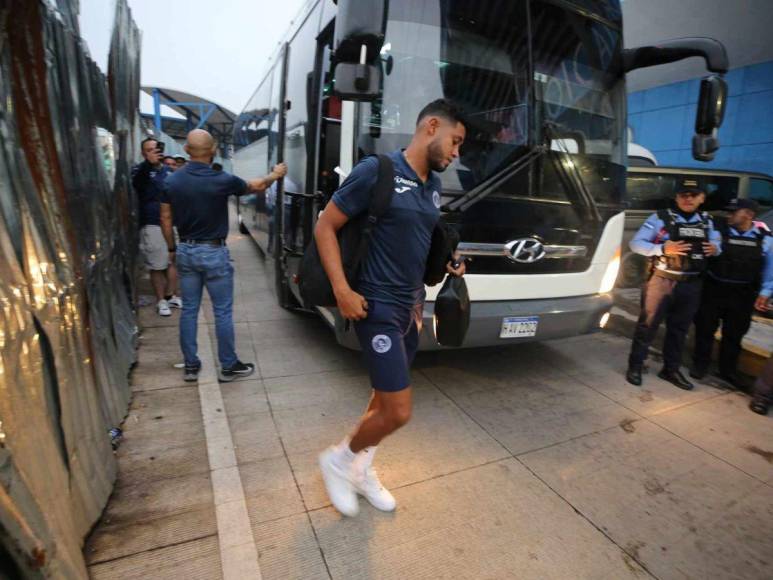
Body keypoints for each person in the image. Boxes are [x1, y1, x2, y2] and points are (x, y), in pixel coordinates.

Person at [315, 99, 467, 517]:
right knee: (399, 411)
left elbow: (418, 240)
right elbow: (325, 226)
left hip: (412, 309)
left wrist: (448, 262)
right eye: (455, 141)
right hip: (376, 305)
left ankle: (361, 468)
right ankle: (340, 459)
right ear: (431, 126)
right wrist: (342, 289)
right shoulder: (377, 171)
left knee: (382, 401)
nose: (456, 153)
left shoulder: (431, 186)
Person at [159, 129, 287, 382]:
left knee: (189, 311)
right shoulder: (222, 180)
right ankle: (228, 366)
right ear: (214, 150)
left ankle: (191, 366)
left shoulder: (172, 181)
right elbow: (258, 185)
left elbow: (165, 217)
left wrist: (172, 248)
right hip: (214, 251)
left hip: (185, 249)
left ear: (186, 151)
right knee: (222, 311)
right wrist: (276, 174)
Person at [625, 179, 721, 390]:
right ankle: (635, 365)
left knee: (679, 330)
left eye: (693, 195)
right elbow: (636, 244)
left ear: (702, 198)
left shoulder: (707, 221)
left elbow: (717, 242)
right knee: (647, 326)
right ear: (676, 197)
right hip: (662, 282)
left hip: (691, 284)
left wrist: (716, 249)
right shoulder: (659, 218)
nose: (688, 199)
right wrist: (661, 249)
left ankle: (670, 370)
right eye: (683, 194)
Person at [692, 198, 772, 387]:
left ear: (748, 215)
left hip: (743, 293)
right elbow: (715, 246)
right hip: (714, 289)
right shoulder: (717, 229)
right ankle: (700, 365)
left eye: (733, 212)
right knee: (704, 329)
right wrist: (714, 249)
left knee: (734, 335)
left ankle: (727, 370)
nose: (728, 215)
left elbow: (770, 268)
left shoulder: (765, 238)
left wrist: (765, 292)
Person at [132, 137, 182, 316]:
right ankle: (161, 300)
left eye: (156, 148)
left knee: (172, 260)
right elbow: (137, 184)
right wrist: (148, 164)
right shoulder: (140, 171)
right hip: (152, 223)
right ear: (143, 153)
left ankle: (172, 295)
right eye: (149, 150)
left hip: (172, 223)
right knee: (157, 264)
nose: (154, 152)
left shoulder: (169, 171)